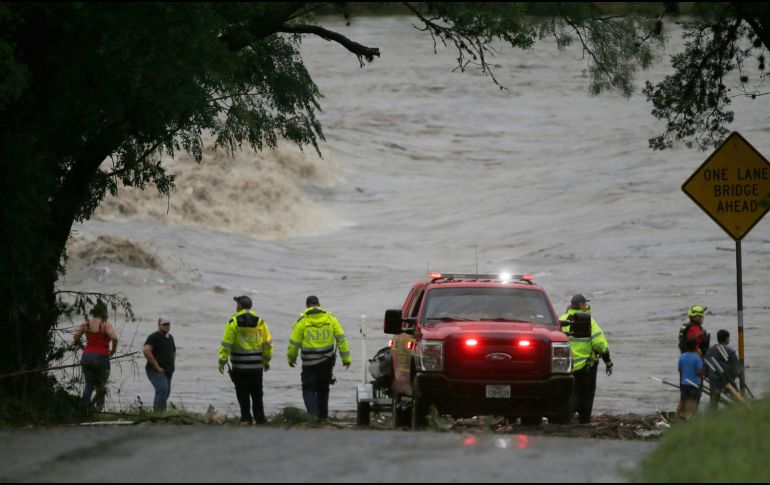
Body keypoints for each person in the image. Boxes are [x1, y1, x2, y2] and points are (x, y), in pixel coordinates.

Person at [287, 295, 352, 420]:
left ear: (306, 306)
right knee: (323, 389)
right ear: (319, 304)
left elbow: (293, 344)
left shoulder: (302, 322)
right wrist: (346, 359)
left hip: (309, 364)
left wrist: (291, 359)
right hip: (326, 362)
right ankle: (323, 417)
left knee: (308, 389)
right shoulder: (330, 319)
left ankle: (313, 416)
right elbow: (341, 339)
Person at [218, 295, 272, 425]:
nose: (236, 306)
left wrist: (222, 361)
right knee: (257, 393)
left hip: (239, 366)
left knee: (242, 392)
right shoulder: (260, 322)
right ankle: (260, 419)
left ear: (241, 306)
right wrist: (266, 362)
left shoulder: (233, 322)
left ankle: (246, 418)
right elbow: (267, 344)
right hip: (256, 365)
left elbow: (226, 344)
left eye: (237, 304)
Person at [559, 294, 613, 424]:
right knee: (586, 397)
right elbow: (600, 344)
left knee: (567, 395)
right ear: (580, 305)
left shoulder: (561, 320)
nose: (586, 306)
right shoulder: (589, 321)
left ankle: (565, 419)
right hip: (586, 368)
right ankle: (584, 421)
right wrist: (608, 362)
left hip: (565, 367)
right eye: (584, 304)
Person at [73, 300, 118, 410]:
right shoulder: (105, 326)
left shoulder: (86, 325)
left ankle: (85, 409)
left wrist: (83, 347)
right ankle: (98, 409)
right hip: (101, 358)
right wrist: (113, 350)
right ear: (104, 314)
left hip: (86, 356)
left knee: (88, 385)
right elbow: (115, 338)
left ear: (93, 313)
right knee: (101, 386)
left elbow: (76, 337)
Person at [143, 316, 176, 412]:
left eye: (168, 324)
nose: (166, 326)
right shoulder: (154, 337)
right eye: (164, 324)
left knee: (165, 393)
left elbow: (173, 351)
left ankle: (161, 414)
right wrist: (157, 366)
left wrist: (172, 364)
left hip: (168, 371)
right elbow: (146, 350)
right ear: (159, 324)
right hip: (155, 370)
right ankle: (157, 414)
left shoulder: (170, 338)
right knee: (162, 389)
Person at [703, 329, 740, 411]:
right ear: (727, 339)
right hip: (726, 379)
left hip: (714, 378)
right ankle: (740, 411)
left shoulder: (710, 350)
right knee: (737, 397)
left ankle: (712, 416)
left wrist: (707, 375)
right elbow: (736, 366)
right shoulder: (730, 351)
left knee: (714, 401)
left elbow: (705, 365)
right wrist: (735, 376)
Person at [676, 338, 704, 419]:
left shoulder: (682, 356)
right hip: (694, 383)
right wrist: (704, 372)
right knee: (691, 401)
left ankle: (676, 418)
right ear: (696, 347)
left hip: (684, 383)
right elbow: (699, 372)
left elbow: (679, 369)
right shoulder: (697, 357)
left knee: (682, 401)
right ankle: (689, 419)